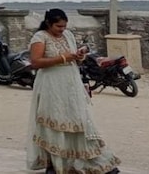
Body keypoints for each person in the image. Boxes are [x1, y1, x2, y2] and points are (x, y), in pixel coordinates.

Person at [26, 9, 120, 174]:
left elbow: (73, 57)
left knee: (78, 119)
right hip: (51, 85)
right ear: (49, 23)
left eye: (64, 26)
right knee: (54, 119)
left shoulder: (68, 35)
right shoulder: (40, 37)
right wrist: (63, 58)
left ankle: (92, 162)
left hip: (70, 82)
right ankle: (54, 164)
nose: (61, 29)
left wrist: (79, 56)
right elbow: (35, 62)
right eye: (58, 26)